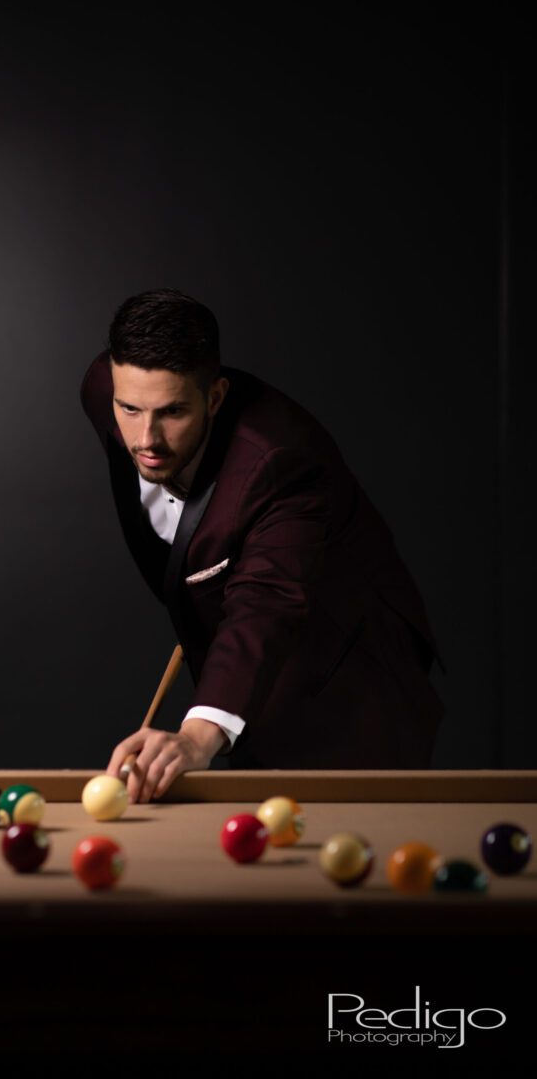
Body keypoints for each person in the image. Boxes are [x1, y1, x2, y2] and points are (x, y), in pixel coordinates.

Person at [80, 288, 445, 804]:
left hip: (347, 672)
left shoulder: (280, 461)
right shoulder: (103, 391)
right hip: (243, 668)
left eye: (173, 412)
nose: (147, 438)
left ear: (215, 396)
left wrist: (196, 735)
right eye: (131, 408)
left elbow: (268, 599)